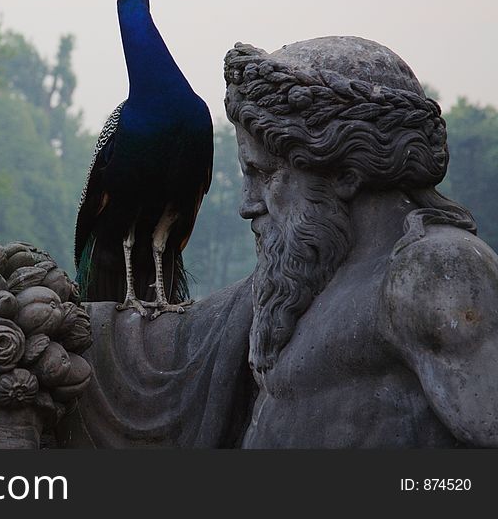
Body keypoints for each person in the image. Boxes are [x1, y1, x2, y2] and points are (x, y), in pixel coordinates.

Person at [61, 36, 498, 448]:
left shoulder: (434, 273)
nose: (248, 205)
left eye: (264, 174)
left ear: (344, 175)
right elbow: (164, 344)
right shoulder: (285, 294)